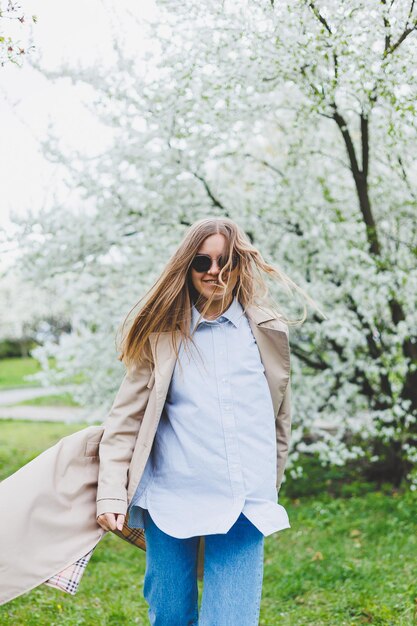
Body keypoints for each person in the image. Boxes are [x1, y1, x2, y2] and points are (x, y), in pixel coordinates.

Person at [96, 216, 317, 626]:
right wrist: (111, 493)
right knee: (170, 615)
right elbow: (124, 422)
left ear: (241, 264)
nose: (215, 272)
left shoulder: (266, 332)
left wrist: (268, 483)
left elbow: (278, 420)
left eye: (226, 260)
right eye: (202, 262)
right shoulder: (162, 337)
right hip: (171, 497)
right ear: (188, 267)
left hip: (243, 502)